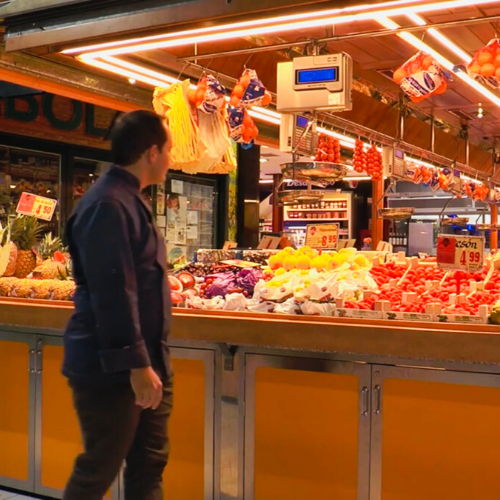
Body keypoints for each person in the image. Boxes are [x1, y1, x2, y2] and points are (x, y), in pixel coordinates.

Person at [62, 110, 174, 500]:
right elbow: (113, 292)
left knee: (148, 465)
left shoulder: (128, 198)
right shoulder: (108, 204)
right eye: (169, 150)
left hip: (145, 362)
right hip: (112, 369)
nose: (171, 159)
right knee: (99, 469)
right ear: (152, 152)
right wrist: (137, 364)